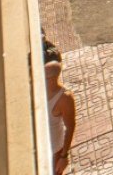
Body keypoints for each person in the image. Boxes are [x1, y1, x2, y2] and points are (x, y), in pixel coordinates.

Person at [45, 43, 77, 175]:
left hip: (54, 152)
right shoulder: (35, 89)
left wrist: (63, 157)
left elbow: (70, 126)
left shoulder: (65, 98)